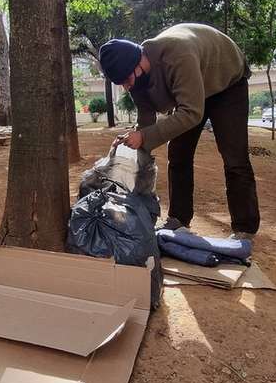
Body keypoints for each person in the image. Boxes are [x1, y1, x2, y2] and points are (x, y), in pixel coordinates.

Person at [98, 23, 259, 241]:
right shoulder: (137, 80)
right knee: (178, 154)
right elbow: (146, 120)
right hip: (190, 92)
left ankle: (245, 228)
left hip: (226, 83)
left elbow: (191, 112)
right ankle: (178, 219)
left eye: (126, 80)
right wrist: (133, 140)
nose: (127, 87)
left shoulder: (177, 55)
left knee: (234, 158)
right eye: (122, 84)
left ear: (137, 62)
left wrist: (144, 136)